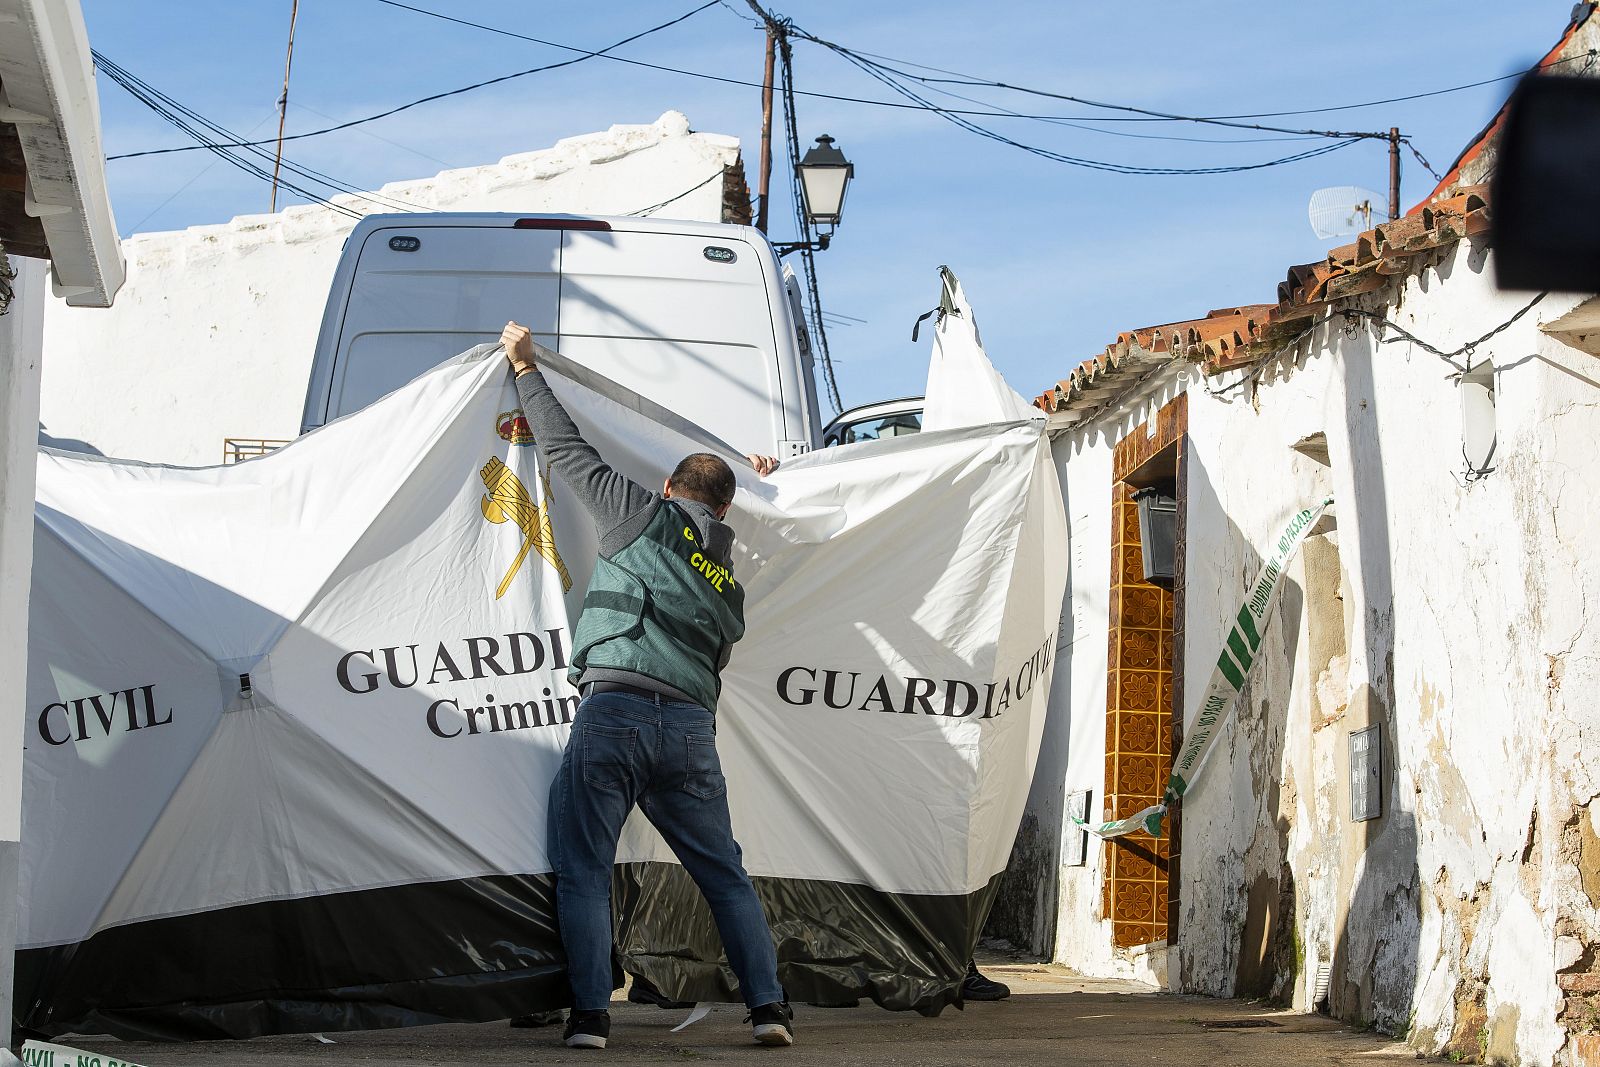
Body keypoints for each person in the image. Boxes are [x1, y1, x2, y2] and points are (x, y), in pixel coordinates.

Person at [500, 322, 793, 1051]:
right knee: (724, 874)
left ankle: (592, 1018)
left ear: (670, 488)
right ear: (723, 510)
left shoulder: (640, 517)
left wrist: (525, 369)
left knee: (584, 866)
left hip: (615, 714)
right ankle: (769, 1010)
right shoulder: (731, 586)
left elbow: (566, 451)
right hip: (691, 733)